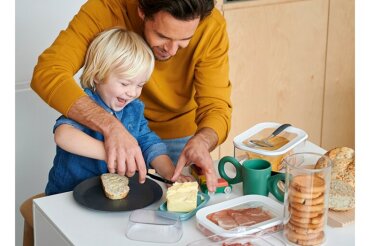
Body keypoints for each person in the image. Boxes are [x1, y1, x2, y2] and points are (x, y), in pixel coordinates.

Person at [31, 0, 232, 192]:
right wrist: (111, 129)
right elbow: (49, 72)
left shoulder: (210, 24)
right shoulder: (106, 8)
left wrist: (200, 143)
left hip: (171, 142)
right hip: (87, 178)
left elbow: (215, 107)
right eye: (162, 36)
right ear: (142, 11)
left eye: (184, 40)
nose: (171, 50)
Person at [46, 28, 193, 195]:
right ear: (98, 76)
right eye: (125, 83)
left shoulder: (134, 108)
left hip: (109, 198)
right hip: (66, 196)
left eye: (140, 85)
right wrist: (116, 153)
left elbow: (149, 143)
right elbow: (63, 136)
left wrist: (169, 173)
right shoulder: (85, 104)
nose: (132, 92)